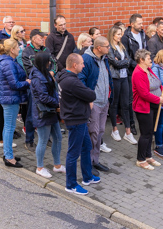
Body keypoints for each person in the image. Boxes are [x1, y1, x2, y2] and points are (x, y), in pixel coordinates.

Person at [58, 53, 99, 194]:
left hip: (79, 118)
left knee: (86, 146)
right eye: (82, 63)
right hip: (76, 120)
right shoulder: (72, 81)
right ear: (74, 65)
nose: (84, 65)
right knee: (73, 153)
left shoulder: (68, 77)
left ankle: (87, 177)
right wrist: (88, 99)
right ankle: (71, 185)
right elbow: (91, 95)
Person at [0, 38, 31, 167]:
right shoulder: (8, 63)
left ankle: (8, 154)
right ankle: (9, 157)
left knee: (8, 127)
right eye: (17, 48)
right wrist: (27, 83)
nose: (20, 49)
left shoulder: (9, 61)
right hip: (10, 98)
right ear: (12, 50)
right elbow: (14, 84)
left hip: (10, 98)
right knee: (9, 128)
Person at [80, 35, 113, 173]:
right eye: (107, 46)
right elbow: (80, 81)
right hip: (93, 103)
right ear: (99, 48)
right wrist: (89, 100)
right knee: (92, 133)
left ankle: (95, 161)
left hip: (104, 101)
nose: (109, 48)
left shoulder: (104, 59)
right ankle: (88, 163)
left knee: (100, 132)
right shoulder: (87, 59)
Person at [30, 52, 65, 178]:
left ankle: (57, 165)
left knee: (58, 137)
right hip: (43, 113)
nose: (50, 63)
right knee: (43, 140)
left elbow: (52, 92)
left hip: (50, 111)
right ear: (42, 63)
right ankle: (39, 168)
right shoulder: (37, 78)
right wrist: (58, 104)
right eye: (48, 61)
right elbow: (43, 97)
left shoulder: (45, 73)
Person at [131, 49, 163, 170]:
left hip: (153, 105)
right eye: (148, 58)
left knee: (151, 132)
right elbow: (144, 94)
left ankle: (148, 156)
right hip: (143, 107)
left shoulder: (149, 69)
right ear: (141, 60)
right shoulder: (138, 73)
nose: (151, 60)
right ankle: (140, 159)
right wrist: (159, 99)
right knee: (145, 134)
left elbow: (158, 83)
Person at [106, 24, 134, 144]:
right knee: (114, 104)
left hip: (124, 77)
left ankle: (128, 132)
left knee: (126, 104)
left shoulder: (122, 46)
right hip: (115, 78)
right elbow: (114, 63)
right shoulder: (109, 48)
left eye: (121, 34)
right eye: (118, 34)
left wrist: (121, 62)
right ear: (113, 35)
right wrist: (123, 62)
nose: (120, 36)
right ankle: (114, 129)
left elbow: (128, 60)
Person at [121, 13, 147, 137]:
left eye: (142, 23)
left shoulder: (142, 34)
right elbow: (126, 55)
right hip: (132, 71)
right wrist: (136, 66)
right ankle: (131, 124)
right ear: (132, 24)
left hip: (143, 68)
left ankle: (142, 120)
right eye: (139, 23)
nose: (142, 25)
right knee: (131, 99)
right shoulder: (126, 37)